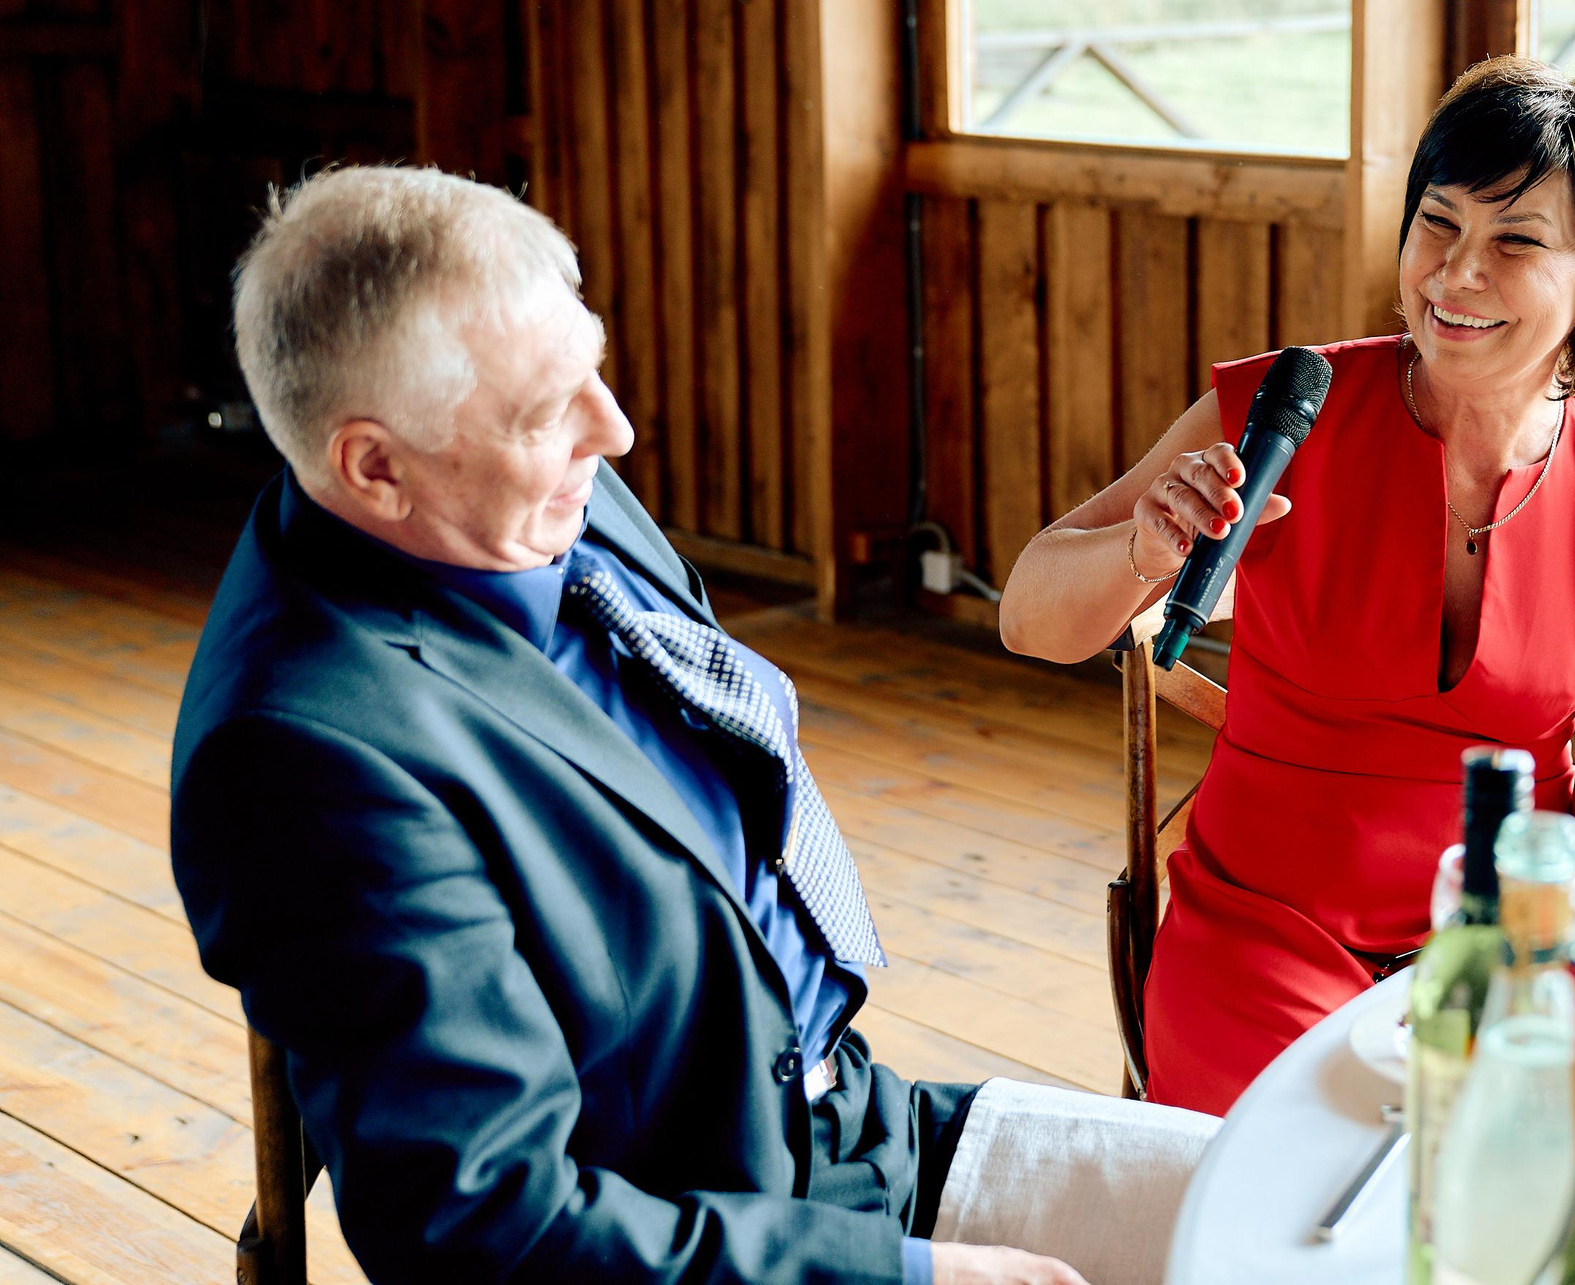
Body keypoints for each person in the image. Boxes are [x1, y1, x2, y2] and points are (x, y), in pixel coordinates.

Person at [172, 166, 1213, 1285]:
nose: (613, 430)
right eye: (546, 411)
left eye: (591, 365)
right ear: (375, 466)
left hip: (856, 1128)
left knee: (1314, 1215)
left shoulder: (517, 493)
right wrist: (911, 1280)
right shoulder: (304, 762)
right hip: (710, 1232)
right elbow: (491, 1232)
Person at [1000, 57, 1575, 1114]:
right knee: (1315, 1149)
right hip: (1265, 932)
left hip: (1509, 939)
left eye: (1515, 242)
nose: (1455, 274)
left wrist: (1555, 924)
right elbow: (1028, 617)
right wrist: (1144, 551)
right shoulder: (1286, 409)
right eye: (1439, 223)